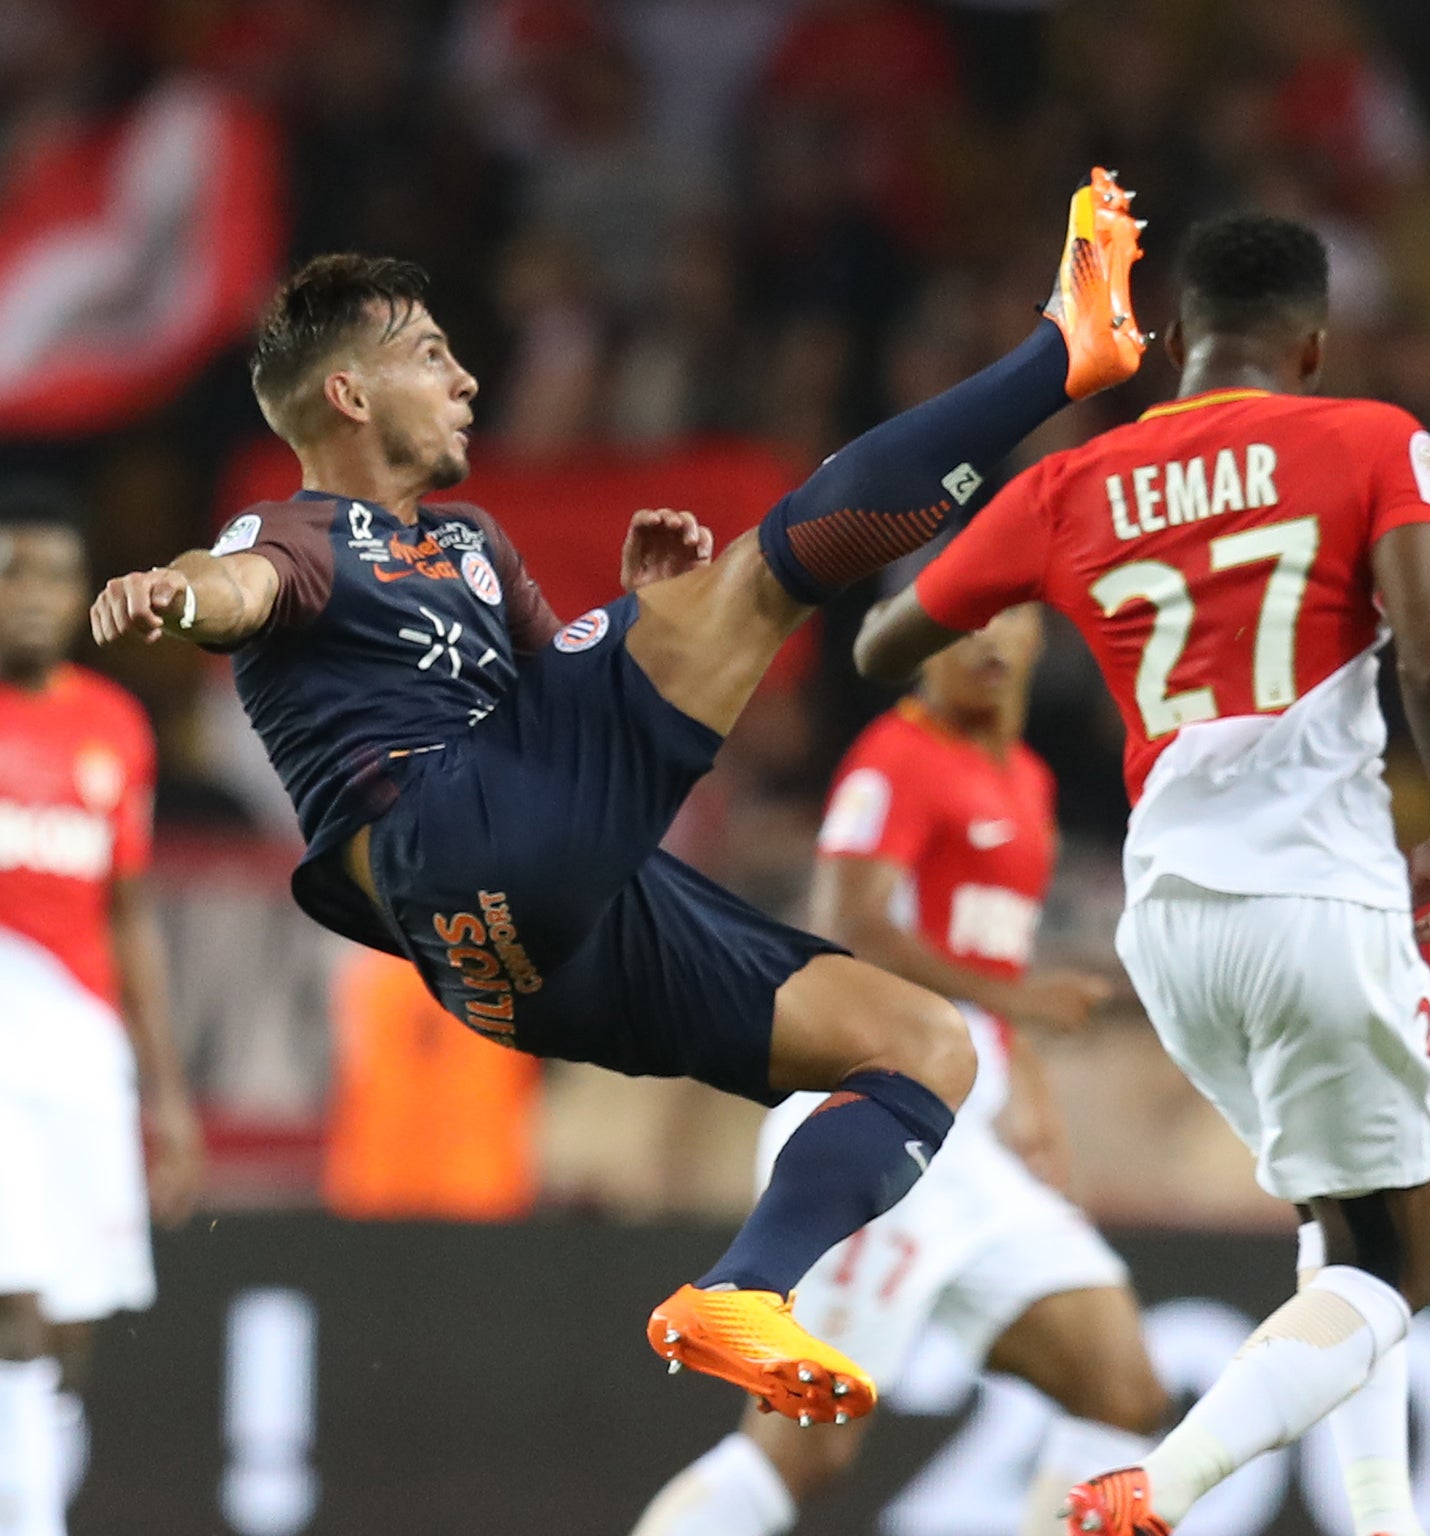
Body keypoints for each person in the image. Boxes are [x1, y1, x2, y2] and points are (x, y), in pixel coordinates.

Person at [90, 170, 1147, 1427]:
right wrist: (177, 590)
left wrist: (650, 609)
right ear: (350, 393)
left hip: (525, 953)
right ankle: (1064, 354)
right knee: (770, 573)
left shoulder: (473, 544)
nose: (467, 380)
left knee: (920, 1044)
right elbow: (244, 587)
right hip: (450, 842)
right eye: (433, 356)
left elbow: (559, 702)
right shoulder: (305, 532)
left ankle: (741, 1291)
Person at [856, 213, 1430, 1536]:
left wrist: (1005, 521)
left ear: (1182, 342)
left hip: (1173, 930)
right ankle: (1160, 1486)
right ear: (1310, 344)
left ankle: (1386, 1526)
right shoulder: (1373, 438)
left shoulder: (1071, 484)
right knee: (1394, 1269)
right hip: (1319, 898)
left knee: (1341, 1216)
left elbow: (881, 641)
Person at [633, 605, 1167, 1536]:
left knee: (1121, 1388)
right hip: (887, 1127)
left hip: (973, 1141)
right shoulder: (895, 760)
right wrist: (1026, 1002)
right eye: (962, 624)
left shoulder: (1027, 778)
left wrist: (1026, 1080)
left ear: (1043, 638)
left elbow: (984, 965)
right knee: (802, 1454)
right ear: (919, 645)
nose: (989, 643)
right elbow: (850, 925)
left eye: (1009, 622)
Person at [0, 484, 205, 1535]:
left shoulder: (115, 729)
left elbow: (129, 917)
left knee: (73, 1307)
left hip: (82, 1054)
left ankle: (34, 1488)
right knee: (18, 1292)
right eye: (10, 574)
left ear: (82, 595)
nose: (30, 596)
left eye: (51, 576)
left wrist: (164, 1098)